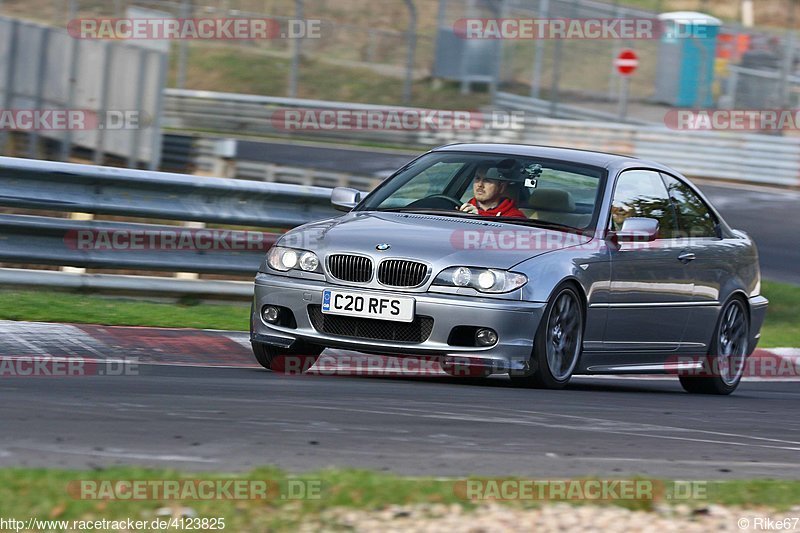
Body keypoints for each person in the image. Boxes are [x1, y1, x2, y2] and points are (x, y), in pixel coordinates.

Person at [459, 163, 526, 218]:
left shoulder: (513, 217)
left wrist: (479, 217)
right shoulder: (463, 209)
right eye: (477, 178)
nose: (480, 184)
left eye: (487, 180)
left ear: (501, 186)